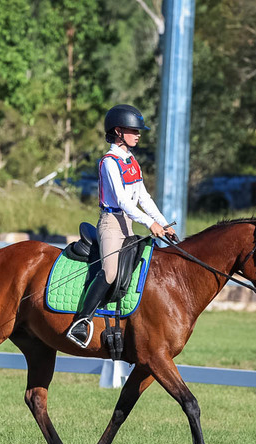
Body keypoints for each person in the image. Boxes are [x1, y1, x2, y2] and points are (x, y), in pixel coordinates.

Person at [66, 104, 178, 348]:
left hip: (128, 223)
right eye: (133, 130)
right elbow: (123, 201)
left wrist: (163, 223)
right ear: (118, 131)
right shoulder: (109, 162)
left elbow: (143, 197)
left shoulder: (131, 160)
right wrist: (150, 223)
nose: (138, 134)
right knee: (110, 272)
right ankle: (81, 321)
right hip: (111, 224)